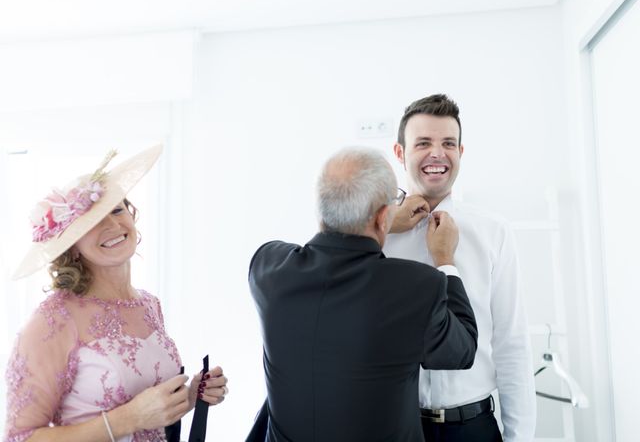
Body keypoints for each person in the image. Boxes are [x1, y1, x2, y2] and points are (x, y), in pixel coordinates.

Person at [248, 147, 478, 442]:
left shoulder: (267, 269)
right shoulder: (417, 287)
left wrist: (373, 222)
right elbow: (463, 350)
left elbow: (322, 243)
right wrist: (445, 259)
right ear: (384, 217)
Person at [4, 146, 228, 442]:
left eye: (117, 209)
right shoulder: (52, 320)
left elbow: (150, 415)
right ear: (71, 245)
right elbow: (19, 437)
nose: (112, 225)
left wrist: (189, 396)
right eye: (92, 222)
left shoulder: (149, 305)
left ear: (132, 214)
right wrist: (128, 419)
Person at [384, 94, 536, 442]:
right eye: (423, 143)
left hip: (474, 427)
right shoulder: (376, 235)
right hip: (397, 426)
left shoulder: (493, 231)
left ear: (460, 153)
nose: (437, 153)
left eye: (448, 143)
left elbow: (511, 342)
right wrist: (386, 225)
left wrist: (520, 437)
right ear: (399, 153)